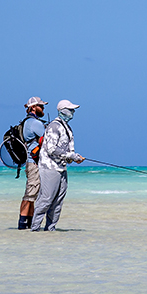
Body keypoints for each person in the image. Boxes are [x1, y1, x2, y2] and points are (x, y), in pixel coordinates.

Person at [31, 99, 85, 231]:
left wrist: (74, 157)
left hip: (61, 168)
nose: (73, 112)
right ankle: (35, 228)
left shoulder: (66, 126)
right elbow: (51, 149)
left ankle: (50, 229)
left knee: (58, 201)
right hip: (50, 168)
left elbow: (65, 150)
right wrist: (71, 155)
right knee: (46, 199)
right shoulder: (54, 126)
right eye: (71, 109)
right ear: (63, 111)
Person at [17, 97, 48, 230]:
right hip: (33, 162)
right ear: (34, 107)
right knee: (30, 194)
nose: (43, 108)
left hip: (32, 162)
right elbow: (49, 139)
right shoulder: (35, 123)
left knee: (32, 194)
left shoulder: (27, 122)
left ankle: (28, 223)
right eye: (41, 106)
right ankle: (23, 223)